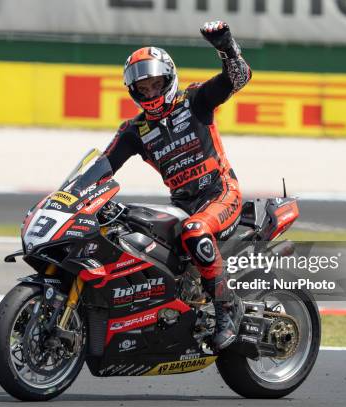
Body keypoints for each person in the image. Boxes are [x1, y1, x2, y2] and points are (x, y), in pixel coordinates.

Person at [102, 21, 251, 350]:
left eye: (156, 84)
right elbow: (102, 167)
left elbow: (238, 78)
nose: (151, 92)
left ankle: (228, 306)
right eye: (143, 88)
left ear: (168, 79)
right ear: (134, 91)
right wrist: (69, 196)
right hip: (180, 203)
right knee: (131, 229)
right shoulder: (134, 130)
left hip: (220, 192)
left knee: (196, 230)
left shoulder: (195, 99)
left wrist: (226, 47)